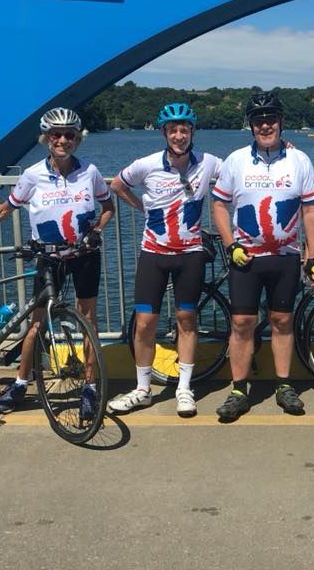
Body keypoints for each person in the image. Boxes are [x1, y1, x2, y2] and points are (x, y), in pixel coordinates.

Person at [0, 107, 114, 416]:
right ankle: (19, 382)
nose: (63, 140)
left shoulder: (90, 172)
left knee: (88, 321)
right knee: (37, 324)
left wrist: (96, 230)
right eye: (55, 134)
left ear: (77, 139)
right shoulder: (32, 175)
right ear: (46, 139)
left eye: (69, 135)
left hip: (83, 256)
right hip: (48, 257)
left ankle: (89, 387)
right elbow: (5, 209)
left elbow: (108, 205)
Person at [211, 90, 314, 420]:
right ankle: (238, 389)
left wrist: (312, 255)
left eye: (271, 119)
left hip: (286, 256)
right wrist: (231, 245)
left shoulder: (299, 160)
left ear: (281, 122)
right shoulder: (236, 160)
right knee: (242, 322)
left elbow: (311, 210)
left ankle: (284, 386)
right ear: (251, 126)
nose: (265, 125)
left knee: (282, 321)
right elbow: (218, 204)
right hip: (247, 257)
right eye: (259, 121)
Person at [108, 103, 221, 417]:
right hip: (154, 254)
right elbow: (117, 185)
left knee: (186, 320)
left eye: (185, 129)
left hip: (190, 255)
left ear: (192, 132)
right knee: (145, 323)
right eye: (173, 130)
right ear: (164, 133)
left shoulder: (209, 163)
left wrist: (284, 148)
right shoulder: (146, 165)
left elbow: (241, 172)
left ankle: (184, 388)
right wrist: (142, 207)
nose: (179, 135)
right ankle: (143, 389)